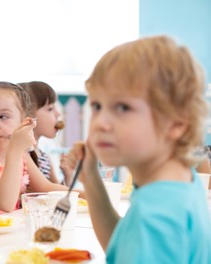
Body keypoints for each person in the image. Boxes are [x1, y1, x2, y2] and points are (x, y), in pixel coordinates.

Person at [63, 36, 211, 263]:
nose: (100, 121)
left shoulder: (157, 216)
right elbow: (123, 245)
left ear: (176, 123)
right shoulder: (174, 183)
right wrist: (91, 180)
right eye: (97, 106)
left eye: (122, 107)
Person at [0, 82, 78, 215]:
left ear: (23, 122)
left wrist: (87, 196)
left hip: (7, 229)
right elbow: (5, 203)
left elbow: (45, 187)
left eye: (3, 117)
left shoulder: (21, 155)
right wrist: (15, 149)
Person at [18, 81, 70, 185]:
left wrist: (68, 175)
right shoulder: (20, 154)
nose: (58, 113)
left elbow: (55, 194)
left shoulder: (44, 157)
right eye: (50, 109)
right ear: (27, 115)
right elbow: (45, 188)